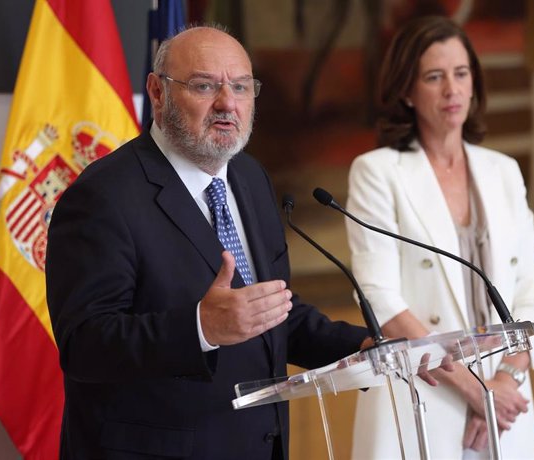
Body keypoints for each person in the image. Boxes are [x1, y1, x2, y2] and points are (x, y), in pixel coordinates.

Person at [45, 25, 370, 460]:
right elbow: (84, 345)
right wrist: (199, 327)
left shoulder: (250, 178)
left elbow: (266, 314)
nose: (227, 103)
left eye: (240, 86)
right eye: (204, 85)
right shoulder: (104, 196)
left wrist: (362, 347)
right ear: (157, 93)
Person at [346, 16, 534, 459]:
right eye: (434, 77)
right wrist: (474, 390)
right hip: (427, 395)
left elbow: (532, 290)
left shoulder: (503, 170)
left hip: (506, 404)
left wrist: (504, 382)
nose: (451, 90)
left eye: (461, 74)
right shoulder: (376, 172)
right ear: (407, 90)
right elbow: (381, 299)